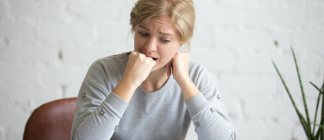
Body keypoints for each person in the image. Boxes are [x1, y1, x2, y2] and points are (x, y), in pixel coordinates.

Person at [71, 0, 236, 139]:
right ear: (134, 29)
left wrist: (185, 82)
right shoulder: (104, 71)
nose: (149, 48)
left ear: (182, 41)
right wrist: (128, 82)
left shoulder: (196, 76)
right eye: (143, 33)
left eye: (164, 39)